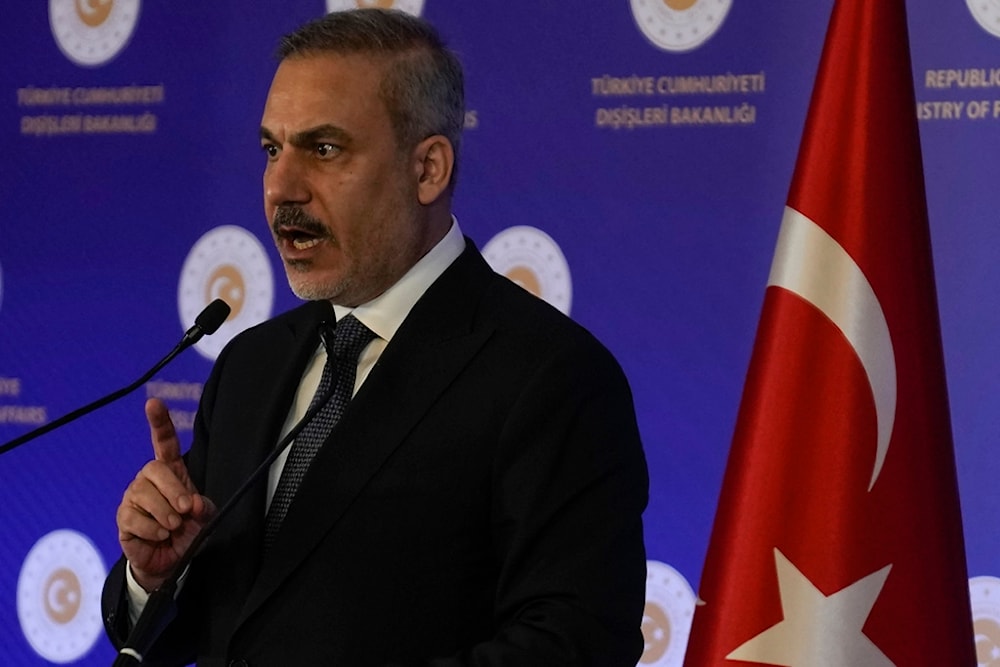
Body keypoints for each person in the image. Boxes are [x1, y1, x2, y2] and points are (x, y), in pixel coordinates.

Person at [102, 8, 648, 666]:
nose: (281, 187)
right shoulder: (251, 364)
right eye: (273, 149)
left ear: (428, 169)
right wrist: (155, 576)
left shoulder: (550, 377)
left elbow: (576, 643)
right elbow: (216, 626)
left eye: (324, 149)